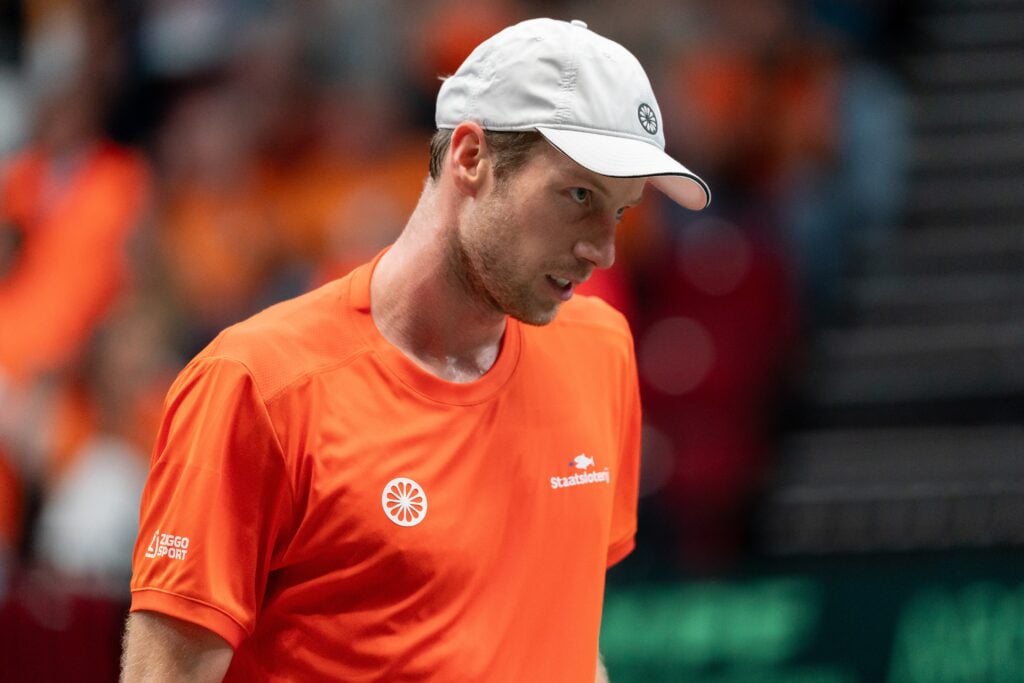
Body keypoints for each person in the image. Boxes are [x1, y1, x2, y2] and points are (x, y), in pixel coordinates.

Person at [121, 18, 709, 682]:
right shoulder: (258, 385)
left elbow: (565, 630)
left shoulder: (601, 351)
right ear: (470, 157)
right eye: (579, 195)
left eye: (621, 211)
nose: (602, 248)